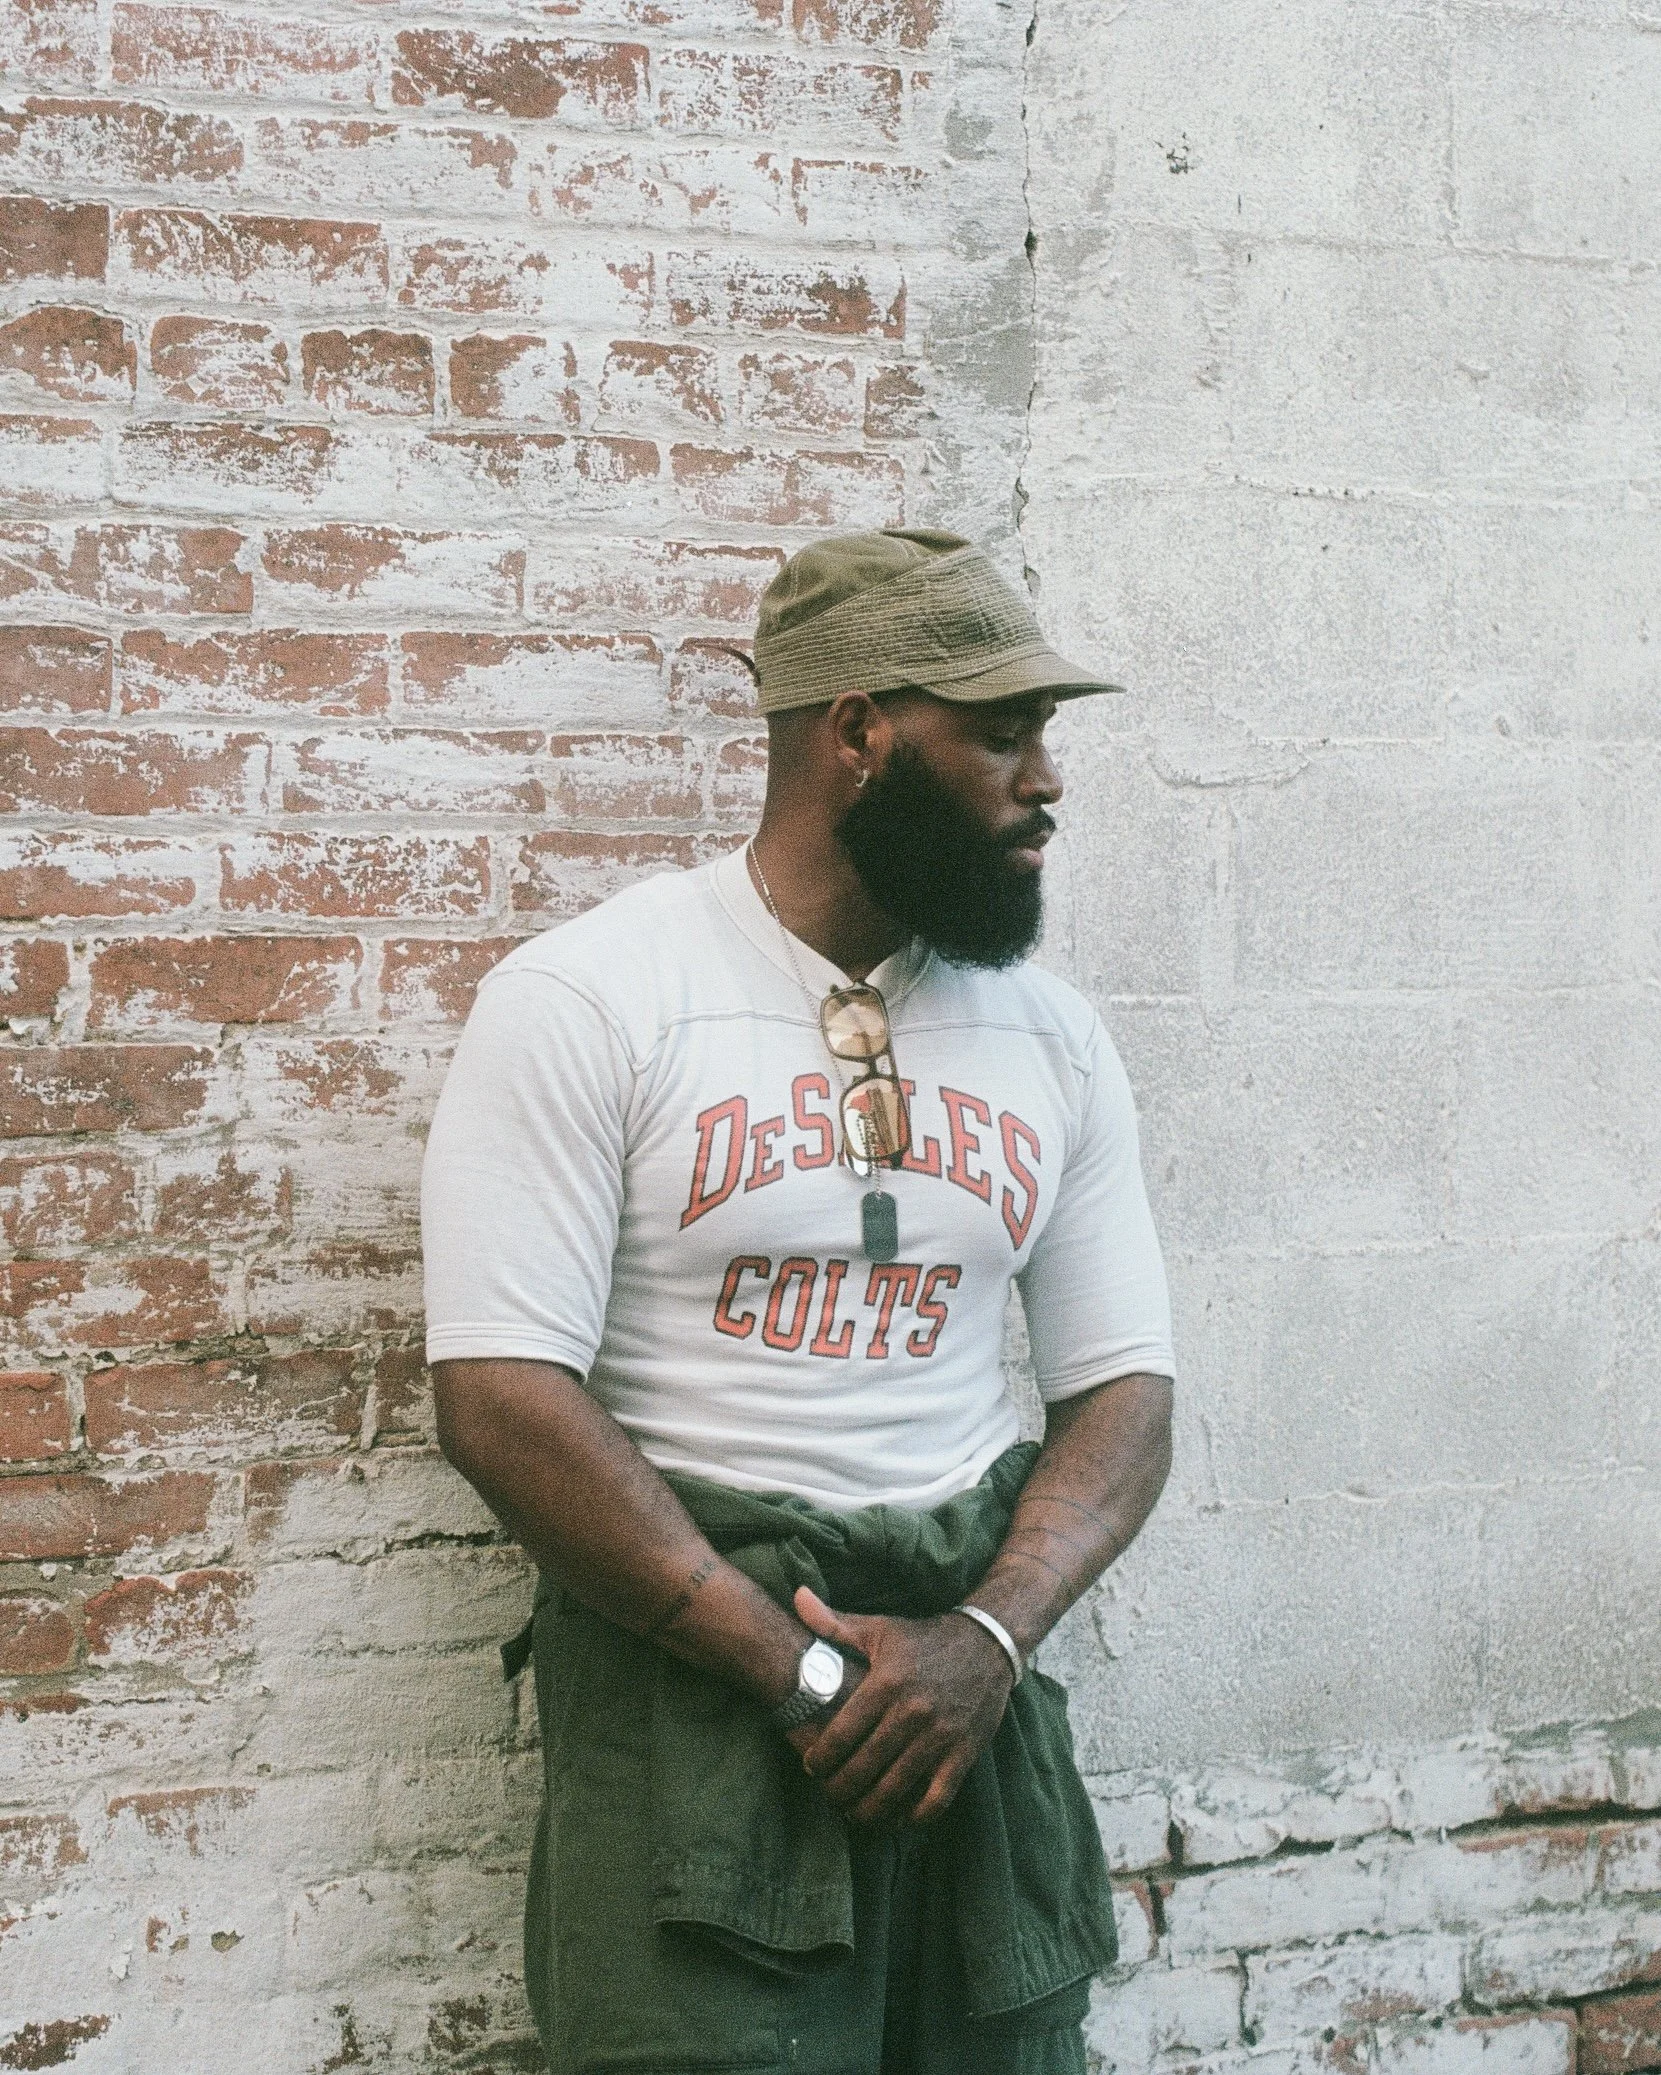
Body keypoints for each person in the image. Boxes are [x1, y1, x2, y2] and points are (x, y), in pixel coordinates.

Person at [420, 527, 1176, 2075]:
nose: (1046, 779)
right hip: (694, 1705)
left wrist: (989, 1634)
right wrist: (803, 1671)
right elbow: (498, 1398)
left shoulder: (1050, 1037)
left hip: (969, 1712)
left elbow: (1128, 1396)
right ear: (857, 730)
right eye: (1002, 730)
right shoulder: (592, 998)